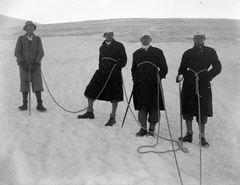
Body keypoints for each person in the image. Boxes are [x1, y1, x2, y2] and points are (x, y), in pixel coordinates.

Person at [176, 31, 222, 147]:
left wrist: (208, 75)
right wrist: (180, 75)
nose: (198, 40)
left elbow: (217, 66)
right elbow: (182, 68)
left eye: (201, 37)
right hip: (189, 82)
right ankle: (189, 134)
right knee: (188, 108)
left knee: (203, 109)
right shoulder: (187, 53)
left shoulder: (210, 51)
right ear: (193, 39)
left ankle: (202, 137)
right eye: (196, 38)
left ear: (204, 38)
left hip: (203, 83)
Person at [77, 28, 127, 126]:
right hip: (102, 72)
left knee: (114, 95)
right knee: (90, 90)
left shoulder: (119, 46)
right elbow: (100, 60)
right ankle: (90, 111)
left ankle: (112, 117)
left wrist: (116, 67)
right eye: (108, 34)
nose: (110, 36)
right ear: (104, 35)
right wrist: (101, 69)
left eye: (111, 34)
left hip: (114, 73)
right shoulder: (102, 47)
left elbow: (123, 60)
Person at [131, 32, 168, 137]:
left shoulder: (158, 52)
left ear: (150, 39)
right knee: (142, 106)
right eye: (143, 37)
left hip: (154, 85)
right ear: (140, 39)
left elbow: (164, 68)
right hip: (141, 85)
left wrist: (158, 78)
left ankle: (152, 128)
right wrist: (136, 80)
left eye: (147, 37)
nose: (145, 39)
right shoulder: (136, 53)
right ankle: (143, 128)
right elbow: (134, 69)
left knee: (154, 106)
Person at [14, 21, 46, 112]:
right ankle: (24, 104)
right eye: (28, 27)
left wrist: (36, 63)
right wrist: (22, 63)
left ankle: (39, 104)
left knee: (37, 83)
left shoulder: (37, 39)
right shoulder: (20, 39)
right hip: (23, 65)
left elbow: (41, 52)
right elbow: (17, 52)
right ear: (25, 28)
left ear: (34, 28)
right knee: (24, 83)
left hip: (35, 66)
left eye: (32, 27)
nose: (30, 28)